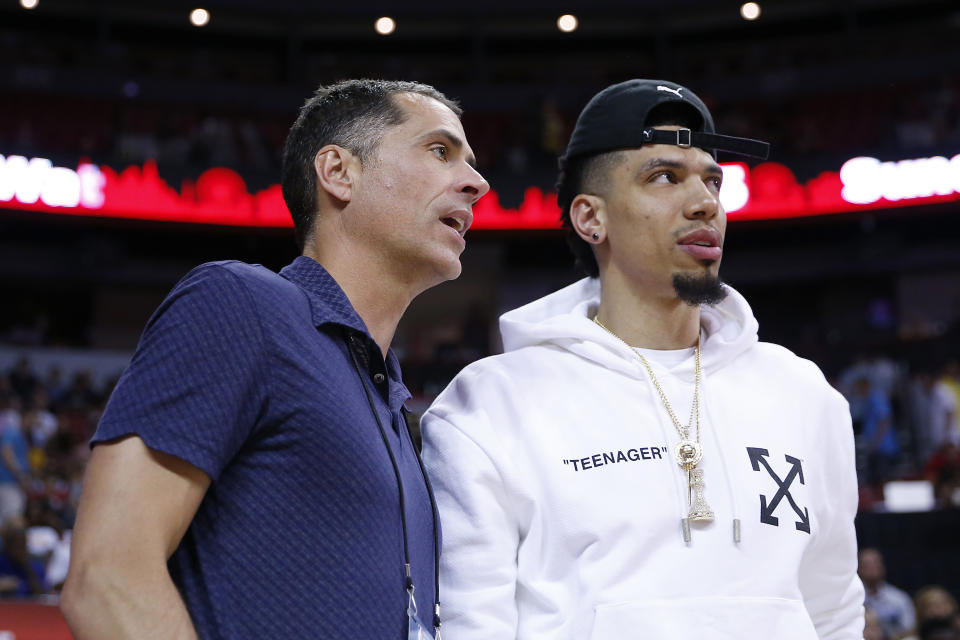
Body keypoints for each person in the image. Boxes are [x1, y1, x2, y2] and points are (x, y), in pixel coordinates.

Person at [422, 79, 864, 638]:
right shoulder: (489, 405)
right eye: (664, 178)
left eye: (712, 180)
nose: (705, 203)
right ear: (591, 219)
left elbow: (833, 611)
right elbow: (471, 626)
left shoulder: (804, 395)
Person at [60, 79, 488, 639]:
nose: (477, 183)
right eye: (440, 151)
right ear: (338, 172)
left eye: (471, 162)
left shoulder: (393, 402)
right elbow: (108, 576)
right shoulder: (242, 304)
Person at [859, 548, 915, 639]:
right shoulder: (854, 598)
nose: (873, 568)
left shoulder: (899, 598)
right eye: (867, 565)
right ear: (858, 568)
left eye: (876, 563)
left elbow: (910, 628)